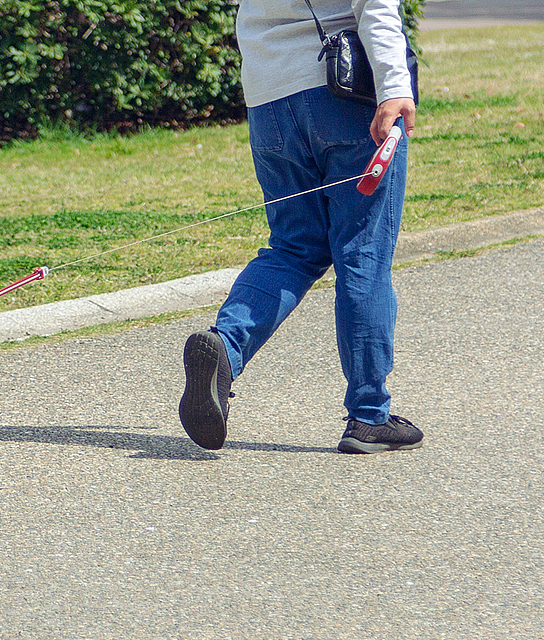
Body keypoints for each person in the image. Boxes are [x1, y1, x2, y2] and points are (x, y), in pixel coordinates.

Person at [178, 0, 423, 454]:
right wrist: (393, 84)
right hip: (343, 92)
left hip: (268, 99)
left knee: (293, 247)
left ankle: (225, 348)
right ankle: (370, 416)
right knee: (363, 251)